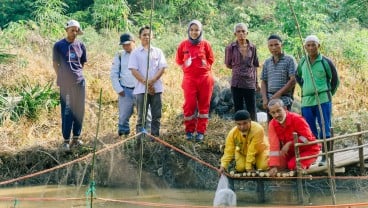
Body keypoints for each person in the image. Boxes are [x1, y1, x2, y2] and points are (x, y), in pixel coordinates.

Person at [296, 35, 339, 165]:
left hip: (323, 99)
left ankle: (326, 158)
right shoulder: (303, 61)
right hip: (307, 101)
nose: (310, 48)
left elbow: (335, 80)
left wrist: (328, 93)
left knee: (325, 127)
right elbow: (297, 76)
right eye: (308, 45)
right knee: (309, 130)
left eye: (313, 45)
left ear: (318, 46)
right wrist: (306, 87)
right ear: (305, 47)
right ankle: (314, 156)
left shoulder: (325, 61)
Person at [175, 20, 215, 142]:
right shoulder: (183, 45)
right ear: (188, 31)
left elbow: (211, 59)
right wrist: (185, 66)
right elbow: (178, 60)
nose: (194, 32)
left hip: (205, 78)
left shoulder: (205, 44)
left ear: (200, 31)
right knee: (189, 105)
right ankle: (189, 131)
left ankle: (201, 132)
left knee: (204, 106)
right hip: (189, 79)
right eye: (191, 30)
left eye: (196, 30)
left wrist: (205, 65)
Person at [53, 20, 87, 151]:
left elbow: (82, 64)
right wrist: (62, 76)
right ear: (66, 30)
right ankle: (66, 140)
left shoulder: (81, 45)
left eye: (76, 30)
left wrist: (75, 74)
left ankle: (76, 138)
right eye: (72, 30)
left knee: (79, 110)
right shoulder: (58, 45)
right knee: (67, 111)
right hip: (65, 84)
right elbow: (55, 64)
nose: (74, 32)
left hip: (80, 82)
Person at [128, 26, 167, 138]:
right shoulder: (135, 53)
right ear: (140, 37)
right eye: (144, 34)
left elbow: (162, 68)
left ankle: (155, 138)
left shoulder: (158, 52)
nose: (146, 37)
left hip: (157, 89)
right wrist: (146, 83)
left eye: (149, 34)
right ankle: (140, 140)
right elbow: (133, 70)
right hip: (141, 90)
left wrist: (153, 81)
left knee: (156, 115)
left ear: (152, 36)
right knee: (142, 117)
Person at [267, 99, 320, 176]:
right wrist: (274, 166)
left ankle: (310, 160)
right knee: (271, 164)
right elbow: (274, 146)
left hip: (308, 150)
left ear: (285, 108)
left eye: (278, 111)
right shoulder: (272, 124)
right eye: (273, 113)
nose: (276, 115)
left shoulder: (297, 118)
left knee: (292, 165)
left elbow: (307, 139)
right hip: (291, 153)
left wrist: (290, 143)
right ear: (270, 113)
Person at [225, 23, 260, 121]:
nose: (241, 33)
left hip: (250, 83)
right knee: (238, 108)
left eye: (243, 31)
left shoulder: (253, 47)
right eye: (238, 31)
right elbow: (228, 64)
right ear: (235, 33)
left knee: (252, 108)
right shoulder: (230, 48)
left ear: (247, 33)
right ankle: (240, 130)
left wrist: (256, 82)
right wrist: (238, 69)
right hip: (237, 83)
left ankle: (254, 129)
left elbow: (255, 65)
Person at [218, 110, 269, 174]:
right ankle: (252, 163)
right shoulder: (232, 133)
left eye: (245, 123)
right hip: (243, 153)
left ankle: (255, 163)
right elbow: (228, 151)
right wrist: (223, 166)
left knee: (263, 167)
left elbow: (253, 149)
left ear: (250, 121)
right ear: (235, 123)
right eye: (239, 124)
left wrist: (248, 167)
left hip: (260, 151)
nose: (242, 127)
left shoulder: (258, 129)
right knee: (241, 168)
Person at [261, 34, 296, 121]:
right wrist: (265, 99)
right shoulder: (267, 62)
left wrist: (278, 94)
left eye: (276, 45)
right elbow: (263, 81)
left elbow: (293, 80)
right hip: (270, 100)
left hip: (284, 99)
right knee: (272, 125)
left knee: (286, 124)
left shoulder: (289, 60)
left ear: (281, 45)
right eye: (271, 45)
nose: (273, 48)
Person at [110, 33, 137, 136]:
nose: (126, 47)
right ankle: (123, 133)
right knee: (124, 115)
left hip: (140, 89)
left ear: (134, 42)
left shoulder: (141, 53)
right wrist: (118, 89)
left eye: (128, 44)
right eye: (124, 45)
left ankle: (144, 134)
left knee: (145, 114)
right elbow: (114, 73)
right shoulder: (120, 55)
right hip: (125, 90)